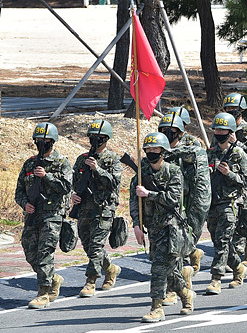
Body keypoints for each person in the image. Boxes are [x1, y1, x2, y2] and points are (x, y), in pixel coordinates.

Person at [130, 132, 193, 322]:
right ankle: (185, 294)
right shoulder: (141, 174)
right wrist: (136, 225)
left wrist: (149, 194)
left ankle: (156, 307)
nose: (151, 152)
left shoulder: (173, 172)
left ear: (163, 151)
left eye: (155, 149)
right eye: (148, 149)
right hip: (153, 229)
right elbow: (134, 202)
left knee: (158, 267)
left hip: (171, 228)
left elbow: (173, 199)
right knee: (170, 270)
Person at [16, 122, 73, 309]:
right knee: (30, 252)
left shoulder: (61, 162)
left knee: (44, 254)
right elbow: (19, 191)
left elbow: (66, 187)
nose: (42, 143)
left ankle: (43, 292)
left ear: (53, 141)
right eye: (38, 140)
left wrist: (46, 176)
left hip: (52, 216)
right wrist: (25, 204)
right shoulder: (30, 163)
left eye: (45, 140)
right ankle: (53, 278)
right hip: (33, 216)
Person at [70, 120, 124, 298]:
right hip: (85, 209)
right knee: (87, 245)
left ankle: (90, 281)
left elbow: (114, 182)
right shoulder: (81, 159)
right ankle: (110, 268)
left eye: (99, 138)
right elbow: (72, 182)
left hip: (104, 209)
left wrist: (97, 169)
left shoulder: (112, 159)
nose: (95, 140)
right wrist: (72, 195)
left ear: (106, 139)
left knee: (96, 246)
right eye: (92, 137)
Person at [158, 112, 210, 277]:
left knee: (180, 241)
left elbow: (196, 156)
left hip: (187, 200)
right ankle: (190, 256)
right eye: (164, 129)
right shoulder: (157, 149)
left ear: (180, 132)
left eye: (171, 130)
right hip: (166, 201)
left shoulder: (191, 147)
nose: (167, 132)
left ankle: (179, 281)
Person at [205, 113, 247, 294]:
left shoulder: (238, 154)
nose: (219, 133)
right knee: (219, 241)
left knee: (223, 240)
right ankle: (239, 268)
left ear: (231, 132)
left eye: (223, 130)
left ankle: (216, 279)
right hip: (213, 203)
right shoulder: (210, 153)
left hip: (230, 203)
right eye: (217, 129)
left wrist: (229, 174)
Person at [222, 93, 247, 267]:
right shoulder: (222, 127)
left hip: (244, 181)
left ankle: (242, 250)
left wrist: (237, 143)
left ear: (242, 109)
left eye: (234, 109)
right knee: (231, 218)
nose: (231, 111)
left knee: (242, 216)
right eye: (228, 109)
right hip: (225, 180)